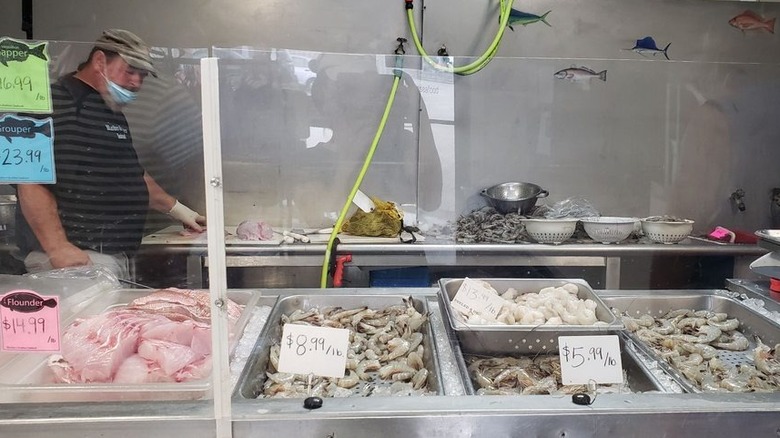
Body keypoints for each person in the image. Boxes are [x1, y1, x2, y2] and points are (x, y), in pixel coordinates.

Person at [15, 29, 206, 278]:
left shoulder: (108, 110)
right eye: (130, 71)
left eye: (143, 75)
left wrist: (180, 210)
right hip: (75, 260)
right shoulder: (53, 105)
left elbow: (129, 173)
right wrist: (57, 247)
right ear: (99, 61)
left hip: (106, 257)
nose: (137, 82)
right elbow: (29, 180)